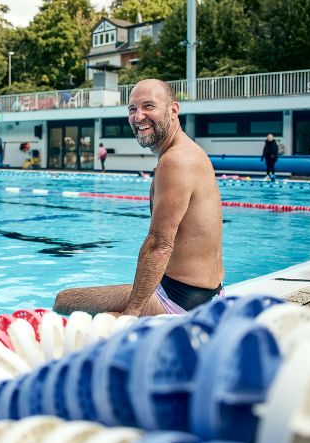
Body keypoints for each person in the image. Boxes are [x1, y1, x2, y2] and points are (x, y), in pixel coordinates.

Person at [53, 79, 224, 316]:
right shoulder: (187, 151)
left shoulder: (176, 161)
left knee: (71, 308)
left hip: (182, 302)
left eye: (149, 106)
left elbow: (159, 246)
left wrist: (130, 315)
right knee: (66, 302)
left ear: (173, 111)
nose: (138, 116)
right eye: (132, 109)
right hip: (200, 293)